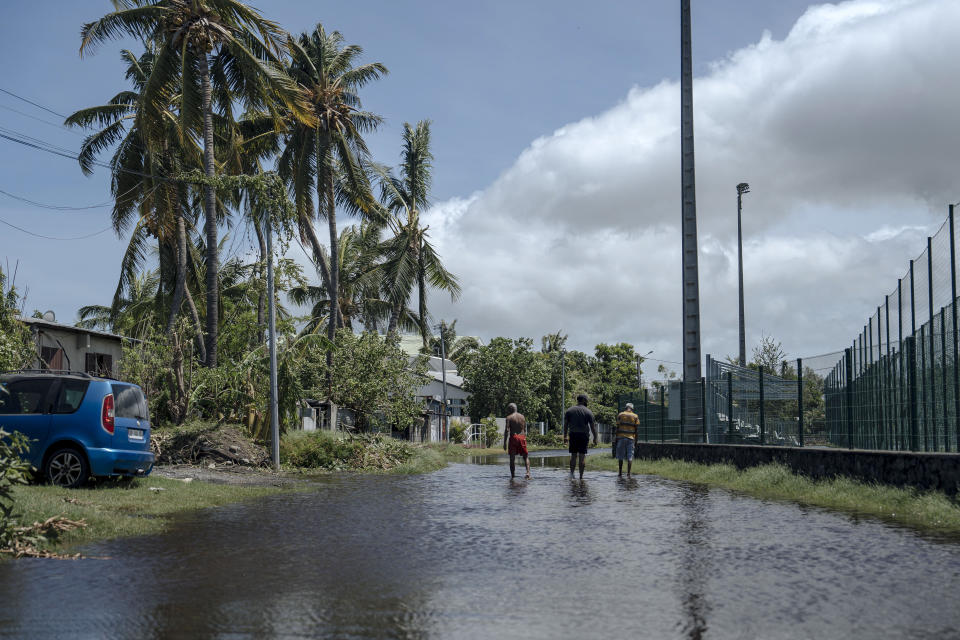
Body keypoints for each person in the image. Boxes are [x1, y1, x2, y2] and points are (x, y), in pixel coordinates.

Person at [563, 394, 597, 479]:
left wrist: (565, 436)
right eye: (587, 400)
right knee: (582, 456)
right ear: (584, 401)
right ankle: (581, 477)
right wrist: (595, 438)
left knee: (573, 455)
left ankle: (571, 474)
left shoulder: (569, 410)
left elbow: (566, 425)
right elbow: (593, 427)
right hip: (583, 436)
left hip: (573, 434)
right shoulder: (588, 412)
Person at [503, 402, 531, 479]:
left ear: (510, 409)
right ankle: (528, 473)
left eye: (508, 409)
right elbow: (524, 429)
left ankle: (513, 476)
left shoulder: (509, 417)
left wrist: (505, 442)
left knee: (512, 458)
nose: (507, 411)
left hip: (514, 437)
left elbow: (506, 430)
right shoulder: (522, 417)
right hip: (522, 437)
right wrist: (524, 438)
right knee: (525, 456)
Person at [614, 402, 640, 478]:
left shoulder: (620, 415)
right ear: (632, 409)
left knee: (620, 456)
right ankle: (628, 474)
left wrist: (616, 438)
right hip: (631, 438)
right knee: (630, 456)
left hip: (621, 437)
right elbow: (636, 430)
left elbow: (617, 428)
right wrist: (636, 441)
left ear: (626, 408)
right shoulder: (635, 416)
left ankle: (620, 473)